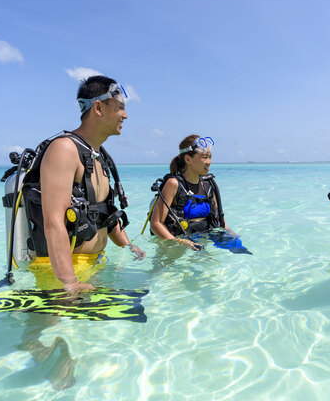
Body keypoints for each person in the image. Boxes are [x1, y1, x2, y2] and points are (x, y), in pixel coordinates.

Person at [24, 75, 145, 294]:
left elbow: (103, 214)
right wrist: (69, 281)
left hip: (94, 264)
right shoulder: (64, 150)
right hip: (61, 271)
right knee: (53, 329)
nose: (125, 115)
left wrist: (127, 246)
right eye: (119, 108)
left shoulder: (99, 156)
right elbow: (53, 222)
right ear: (98, 108)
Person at [149, 134, 229, 250]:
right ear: (187, 159)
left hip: (203, 239)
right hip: (177, 243)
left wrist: (230, 233)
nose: (209, 162)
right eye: (204, 157)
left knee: (241, 252)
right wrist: (179, 242)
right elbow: (155, 224)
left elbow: (220, 219)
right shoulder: (173, 184)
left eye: (210, 157)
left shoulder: (209, 184)